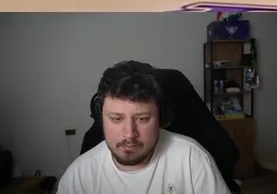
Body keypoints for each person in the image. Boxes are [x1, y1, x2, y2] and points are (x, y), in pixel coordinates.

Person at [61, 61, 231, 194]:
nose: (129, 134)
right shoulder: (79, 176)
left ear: (161, 119)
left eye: (142, 119)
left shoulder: (192, 160)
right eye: (116, 119)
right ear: (101, 118)